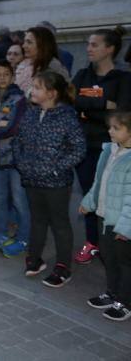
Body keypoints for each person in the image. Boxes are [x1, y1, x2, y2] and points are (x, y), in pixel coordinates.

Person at [14, 71, 86, 287]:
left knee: (60, 223)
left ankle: (63, 267)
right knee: (37, 220)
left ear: (52, 93)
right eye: (32, 86)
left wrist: (54, 167)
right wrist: (23, 164)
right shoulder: (31, 113)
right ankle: (34, 259)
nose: (31, 90)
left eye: (37, 87)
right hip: (32, 179)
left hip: (56, 183)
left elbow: (79, 149)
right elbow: (18, 141)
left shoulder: (66, 117)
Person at [72, 26, 131, 265]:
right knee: (90, 196)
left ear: (110, 49)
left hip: (110, 149)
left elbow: (121, 115)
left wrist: (86, 110)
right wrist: (102, 104)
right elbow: (71, 99)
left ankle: (115, 244)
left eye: (94, 45)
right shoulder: (83, 75)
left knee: (111, 198)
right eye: (87, 44)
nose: (89, 48)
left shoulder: (123, 79)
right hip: (84, 146)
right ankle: (92, 242)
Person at [79, 111, 131, 321]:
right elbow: (98, 182)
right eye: (110, 127)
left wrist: (125, 228)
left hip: (120, 223)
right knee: (108, 258)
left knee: (124, 263)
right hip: (103, 216)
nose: (110, 131)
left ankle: (125, 302)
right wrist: (88, 202)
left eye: (116, 128)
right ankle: (112, 292)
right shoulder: (109, 150)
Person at [0, 60, 29, 257]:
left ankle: (24, 237)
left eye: (6, 74)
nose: (2, 78)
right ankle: (1, 233)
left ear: (12, 77)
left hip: (15, 158)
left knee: (20, 200)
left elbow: (13, 127)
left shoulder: (19, 99)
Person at [15, 27, 69, 96]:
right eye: (24, 42)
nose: (23, 46)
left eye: (29, 42)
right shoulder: (23, 64)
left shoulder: (52, 67)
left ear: (42, 45)